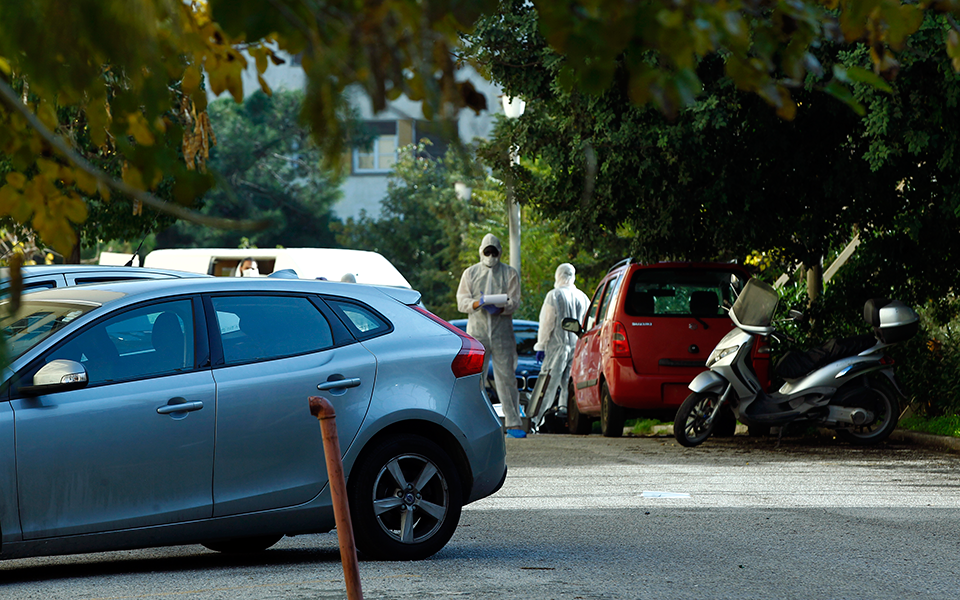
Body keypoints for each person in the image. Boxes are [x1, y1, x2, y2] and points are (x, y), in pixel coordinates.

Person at [456, 233, 524, 438]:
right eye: (487, 252)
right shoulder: (470, 273)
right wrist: (479, 303)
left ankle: (514, 424)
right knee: (475, 378)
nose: (491, 256)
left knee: (507, 379)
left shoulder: (509, 273)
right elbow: (462, 302)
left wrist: (501, 308)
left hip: (502, 333)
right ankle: (470, 423)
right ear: (481, 252)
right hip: (477, 333)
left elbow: (515, 301)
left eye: (494, 252)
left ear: (500, 253)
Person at [532, 263, 589, 431]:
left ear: (558, 275)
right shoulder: (582, 297)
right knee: (569, 385)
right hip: (576, 347)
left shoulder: (554, 295)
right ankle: (566, 419)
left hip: (557, 348)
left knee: (547, 385)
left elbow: (547, 322)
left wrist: (541, 345)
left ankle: (537, 422)